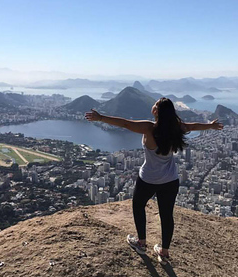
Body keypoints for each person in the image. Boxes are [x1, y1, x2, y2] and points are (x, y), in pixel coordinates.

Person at [85, 97, 223, 264]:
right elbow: (193, 126)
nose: (153, 105)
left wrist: (101, 118)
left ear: (156, 111)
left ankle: (141, 243)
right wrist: (211, 126)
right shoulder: (177, 128)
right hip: (170, 180)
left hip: (149, 178)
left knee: (138, 205)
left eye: (155, 104)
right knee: (166, 215)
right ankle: (164, 253)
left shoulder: (149, 128)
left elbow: (126, 124)